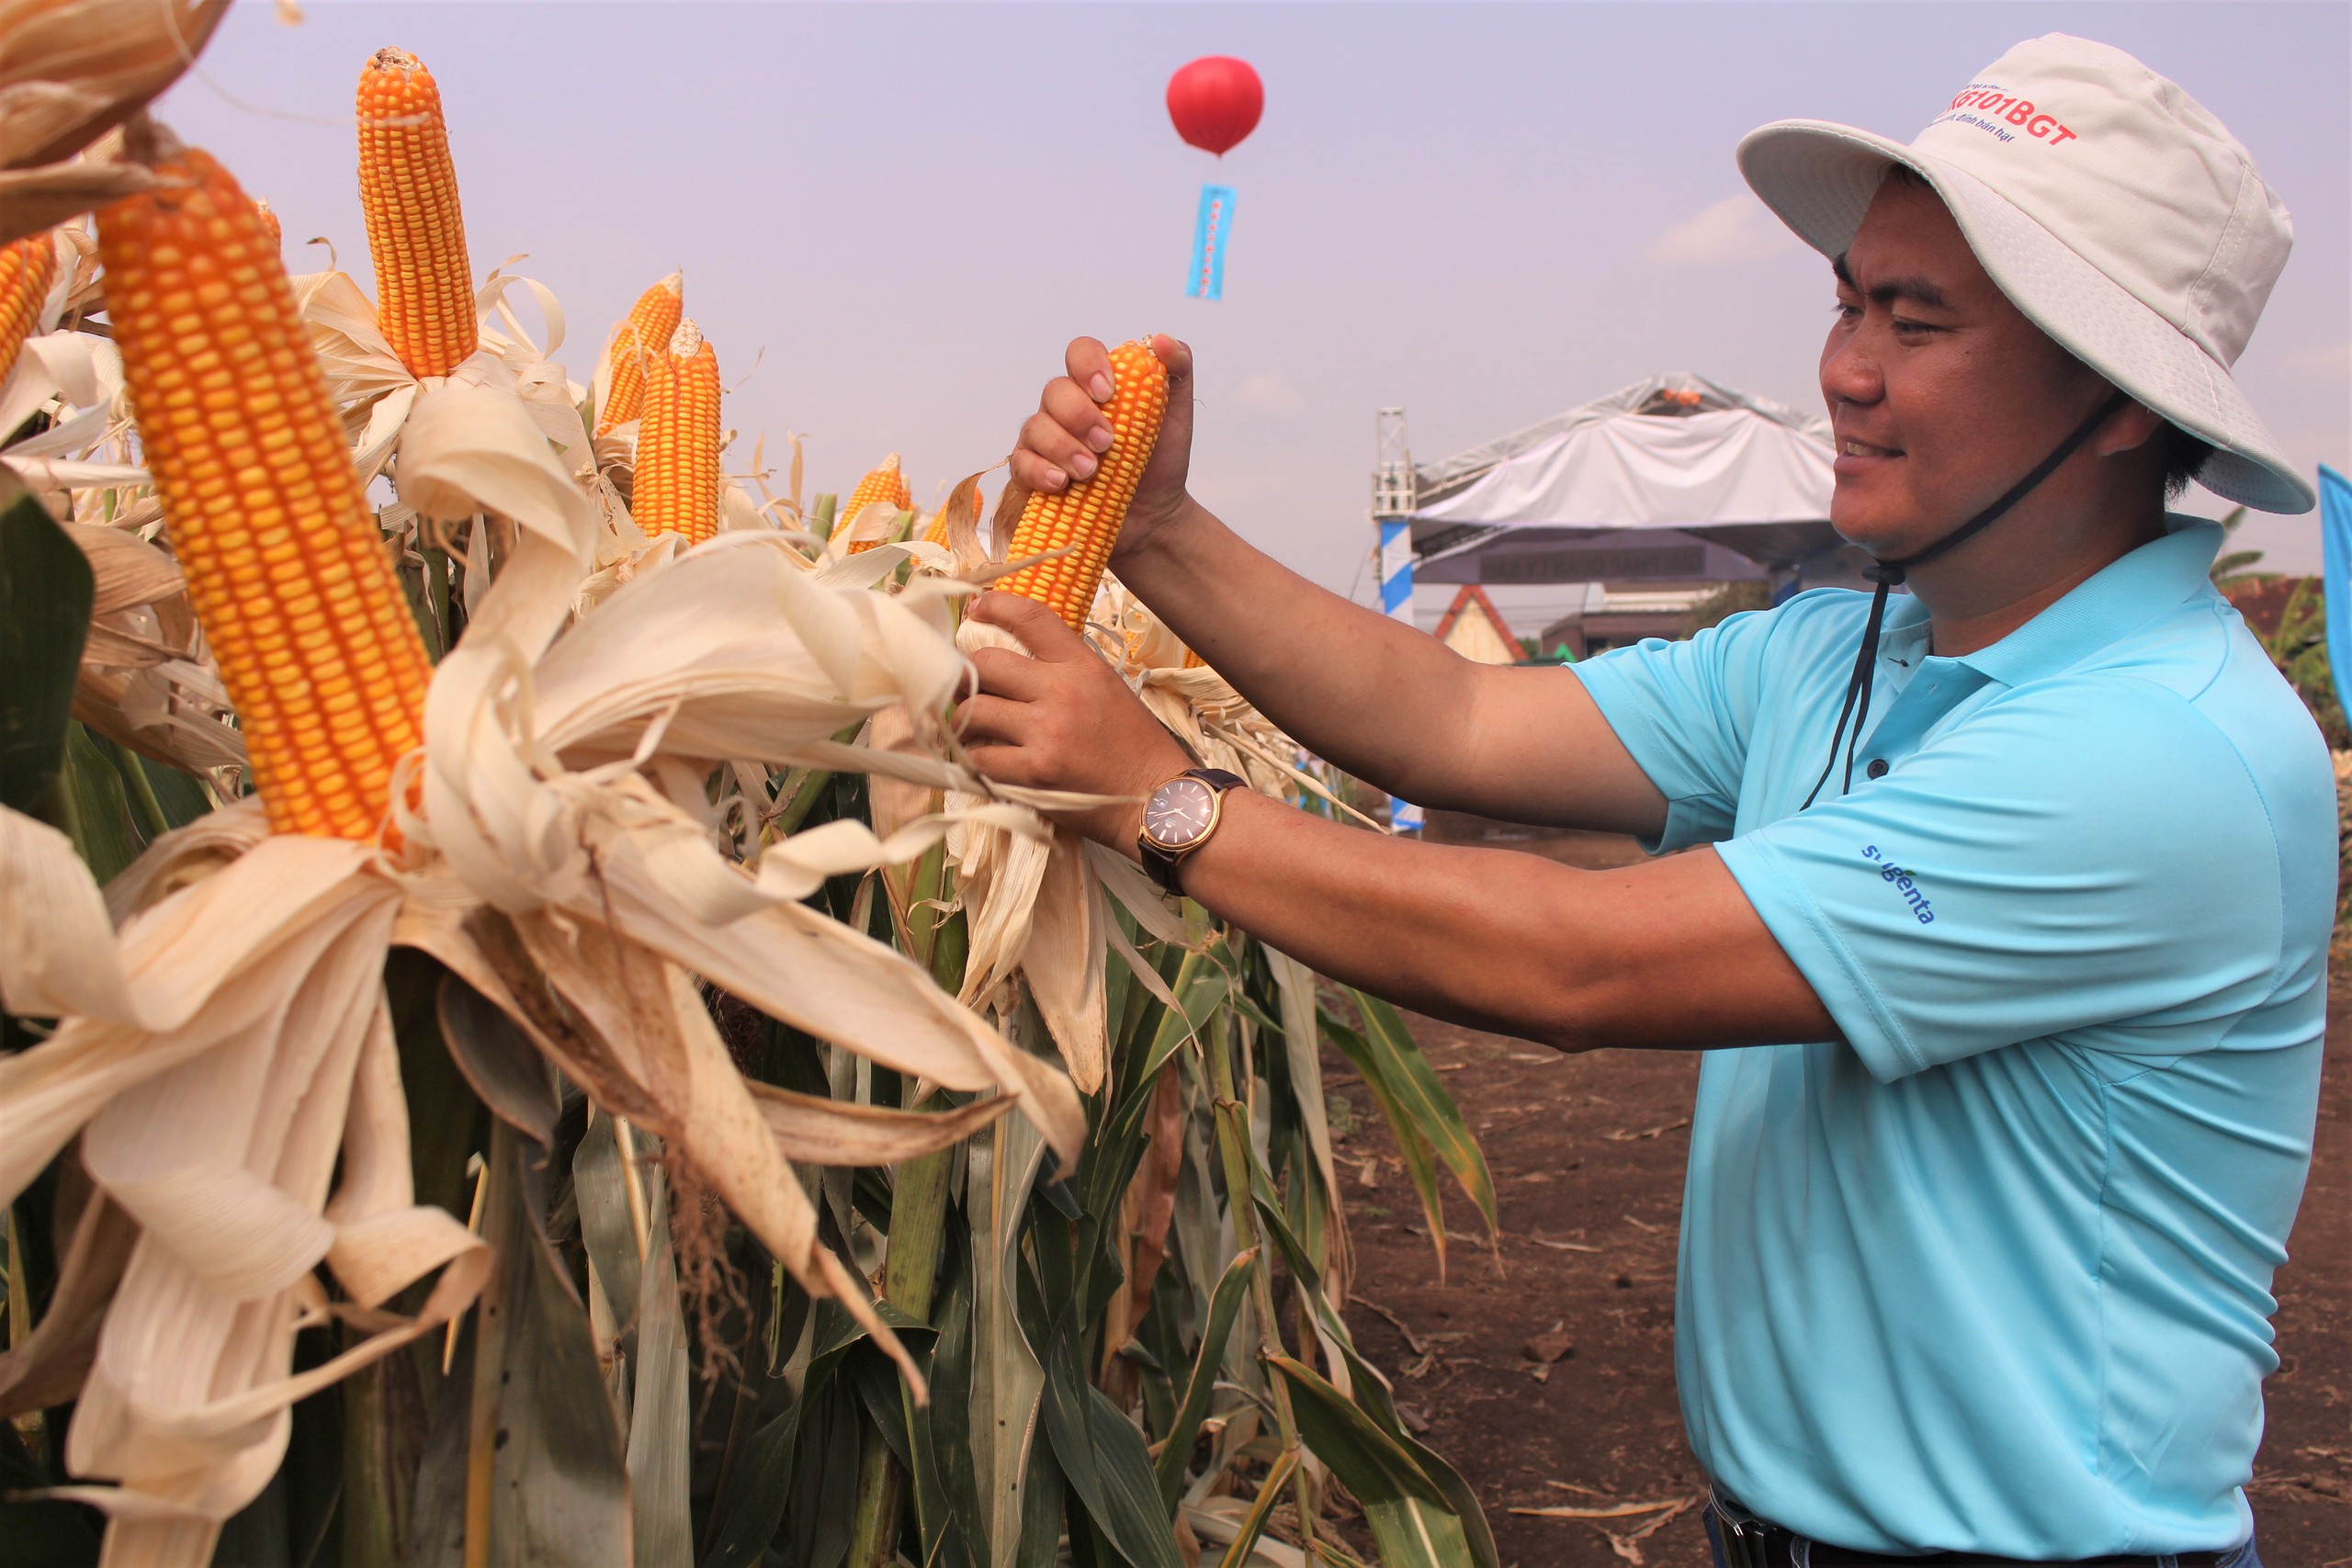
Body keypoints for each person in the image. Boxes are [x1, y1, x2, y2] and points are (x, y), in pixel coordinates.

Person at [956, 33, 2326, 1568]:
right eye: (1848, 300)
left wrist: (1163, 796)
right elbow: (1457, 715)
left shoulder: (2156, 755)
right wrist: (1160, 531)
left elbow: (1579, 962)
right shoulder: (1836, 650)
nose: (1843, 369)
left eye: (1917, 320)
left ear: (2122, 399)